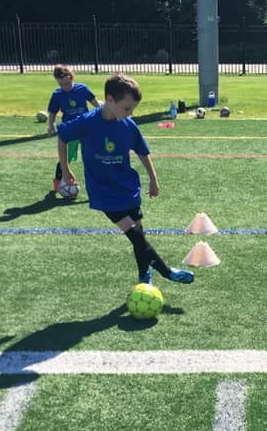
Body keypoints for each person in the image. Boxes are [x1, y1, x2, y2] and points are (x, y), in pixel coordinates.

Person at [57, 73, 194, 286]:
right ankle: (167, 272)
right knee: (135, 236)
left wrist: (153, 180)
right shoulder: (87, 123)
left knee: (139, 234)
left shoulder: (128, 125)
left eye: (133, 109)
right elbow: (62, 136)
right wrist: (65, 170)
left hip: (127, 188)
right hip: (104, 193)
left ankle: (143, 276)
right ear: (110, 100)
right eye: (127, 108)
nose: (130, 113)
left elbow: (142, 152)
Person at [46, 65, 100, 193]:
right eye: (61, 85)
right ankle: (58, 182)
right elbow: (53, 112)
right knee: (66, 158)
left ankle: (97, 183)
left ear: (71, 77)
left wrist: (101, 114)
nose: (64, 87)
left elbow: (94, 102)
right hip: (70, 130)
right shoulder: (57, 95)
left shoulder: (82, 89)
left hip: (86, 127)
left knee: (93, 154)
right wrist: (50, 125)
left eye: (66, 83)